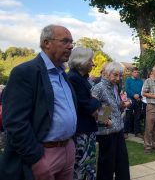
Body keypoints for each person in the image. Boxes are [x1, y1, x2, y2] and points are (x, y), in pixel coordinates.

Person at [0, 24, 77, 180]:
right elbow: (15, 122)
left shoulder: (63, 74)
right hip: (43, 153)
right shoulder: (25, 72)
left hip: (67, 149)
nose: (70, 46)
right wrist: (35, 159)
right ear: (46, 43)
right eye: (65, 41)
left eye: (72, 42)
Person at [92, 62, 131, 180]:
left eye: (120, 75)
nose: (118, 78)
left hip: (118, 129)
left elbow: (112, 105)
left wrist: (122, 105)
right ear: (107, 74)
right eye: (115, 75)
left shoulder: (114, 86)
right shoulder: (99, 87)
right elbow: (92, 107)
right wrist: (105, 120)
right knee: (106, 165)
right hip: (106, 132)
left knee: (122, 162)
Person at [67, 47, 102, 180]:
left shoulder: (82, 78)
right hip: (81, 131)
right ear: (81, 61)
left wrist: (94, 100)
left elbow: (90, 102)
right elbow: (86, 106)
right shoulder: (74, 79)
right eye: (90, 60)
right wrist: (96, 100)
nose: (93, 64)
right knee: (81, 166)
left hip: (87, 129)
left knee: (89, 166)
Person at [124, 67, 144, 138]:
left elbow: (143, 90)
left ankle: (137, 132)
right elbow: (127, 89)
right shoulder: (128, 80)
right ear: (132, 73)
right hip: (130, 101)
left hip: (138, 100)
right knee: (128, 116)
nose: (136, 73)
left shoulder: (141, 81)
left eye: (137, 72)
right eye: (135, 72)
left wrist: (138, 95)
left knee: (137, 117)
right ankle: (125, 132)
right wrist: (133, 95)